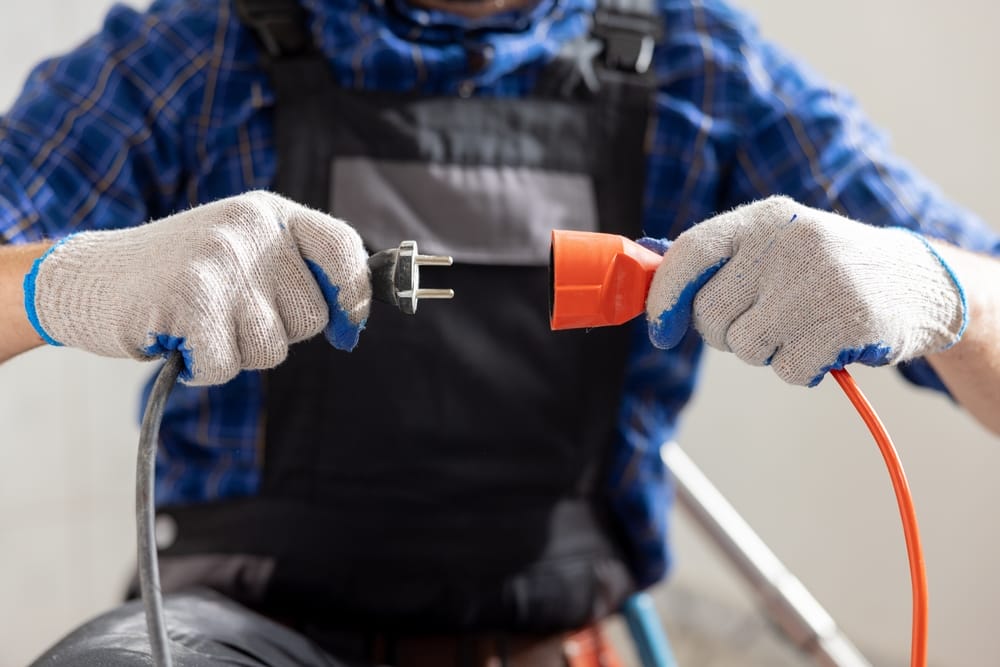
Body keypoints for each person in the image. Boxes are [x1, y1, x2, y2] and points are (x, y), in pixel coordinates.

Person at [1, 0, 998, 665]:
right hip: (238, 629)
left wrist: (943, 287)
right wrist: (61, 284)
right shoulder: (198, 54)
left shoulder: (708, 72)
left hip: (548, 638)